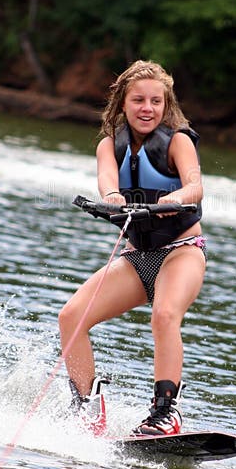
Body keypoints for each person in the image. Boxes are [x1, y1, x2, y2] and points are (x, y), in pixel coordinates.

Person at [58, 60, 206, 436]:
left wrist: (167, 202)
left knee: (164, 315)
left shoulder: (178, 141)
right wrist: (113, 200)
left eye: (156, 101)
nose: (147, 108)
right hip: (137, 258)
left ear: (165, 104)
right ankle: (88, 410)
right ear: (122, 104)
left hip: (182, 251)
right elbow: (108, 182)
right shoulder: (110, 146)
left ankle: (165, 414)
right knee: (71, 317)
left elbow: (195, 187)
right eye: (138, 100)